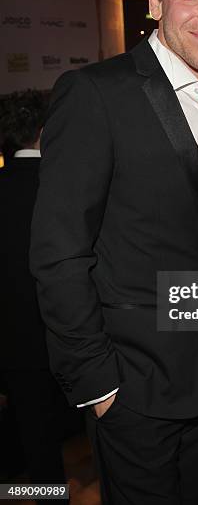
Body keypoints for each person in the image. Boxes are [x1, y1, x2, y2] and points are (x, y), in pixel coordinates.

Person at [30, 0, 198, 505]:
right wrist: (98, 382)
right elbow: (58, 253)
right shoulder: (96, 94)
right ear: (155, 1)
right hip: (130, 388)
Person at [0, 90, 67, 503]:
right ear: (46, 132)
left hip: (16, 342)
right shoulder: (67, 185)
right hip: (75, 337)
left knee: (38, 443)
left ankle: (48, 495)